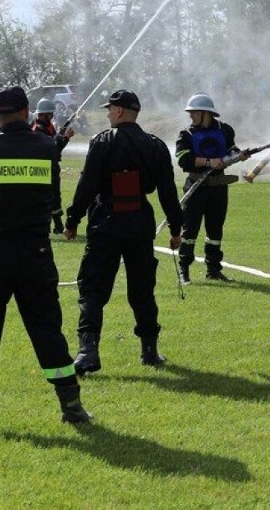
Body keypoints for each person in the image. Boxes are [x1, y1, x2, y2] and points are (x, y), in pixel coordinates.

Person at [0, 84, 90, 433]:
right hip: (36, 253)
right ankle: (73, 408)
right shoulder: (45, 149)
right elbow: (50, 193)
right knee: (47, 329)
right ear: (27, 113)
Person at [64, 88, 183, 374]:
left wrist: (72, 219)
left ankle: (87, 351)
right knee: (142, 288)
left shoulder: (102, 142)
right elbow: (168, 191)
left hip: (106, 219)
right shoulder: (155, 145)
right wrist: (176, 227)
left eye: (109, 110)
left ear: (118, 111)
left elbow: (87, 185)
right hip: (139, 221)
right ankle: (149, 350)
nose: (107, 114)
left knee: (93, 288)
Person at [175, 93, 249, 284]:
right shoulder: (186, 134)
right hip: (196, 186)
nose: (190, 116)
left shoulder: (225, 130)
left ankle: (213, 270)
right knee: (189, 231)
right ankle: (184, 270)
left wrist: (237, 156)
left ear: (205, 113)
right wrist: (209, 161)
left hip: (218, 187)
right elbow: (184, 160)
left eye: (193, 113)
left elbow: (231, 150)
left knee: (215, 231)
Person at [31, 96, 75, 233]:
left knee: (54, 196)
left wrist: (61, 133)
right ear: (43, 114)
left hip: (49, 166)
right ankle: (57, 226)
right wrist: (66, 137)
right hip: (45, 167)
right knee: (52, 196)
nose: (52, 115)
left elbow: (54, 140)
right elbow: (54, 149)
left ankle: (57, 226)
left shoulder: (45, 126)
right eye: (50, 113)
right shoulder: (38, 129)